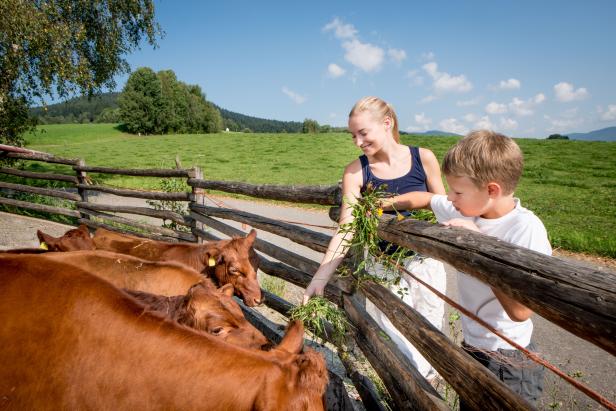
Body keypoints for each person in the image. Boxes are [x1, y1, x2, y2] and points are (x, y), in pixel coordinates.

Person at [381, 130, 549, 407]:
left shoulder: (525, 229)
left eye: (457, 191)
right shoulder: (465, 209)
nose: (450, 197)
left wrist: (480, 246)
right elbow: (425, 198)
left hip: (509, 359)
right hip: (473, 349)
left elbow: (520, 311)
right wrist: (382, 204)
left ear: (491, 190)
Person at [302, 96, 447, 381]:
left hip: (425, 264)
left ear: (387, 123)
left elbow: (443, 208)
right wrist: (320, 277)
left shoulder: (423, 158)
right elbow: (347, 228)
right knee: (399, 344)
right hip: (383, 269)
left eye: (363, 133)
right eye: (352, 135)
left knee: (430, 338)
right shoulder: (356, 172)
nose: (357, 141)